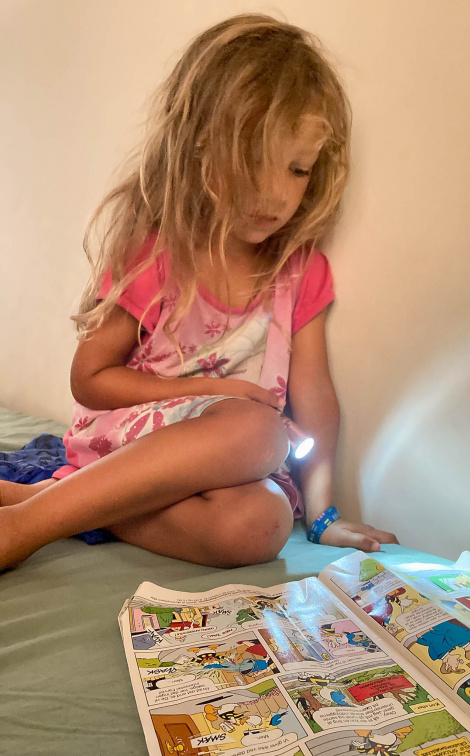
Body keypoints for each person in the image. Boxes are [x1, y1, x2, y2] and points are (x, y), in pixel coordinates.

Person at [0, 14, 398, 570]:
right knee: (260, 431)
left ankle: (61, 499)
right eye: (254, 161)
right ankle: (24, 527)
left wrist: (323, 512)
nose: (276, 194)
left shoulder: (301, 271)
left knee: (263, 524)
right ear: (199, 145)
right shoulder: (158, 253)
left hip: (227, 465)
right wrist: (218, 391)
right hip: (129, 438)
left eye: (298, 169)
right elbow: (89, 379)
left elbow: (315, 398)